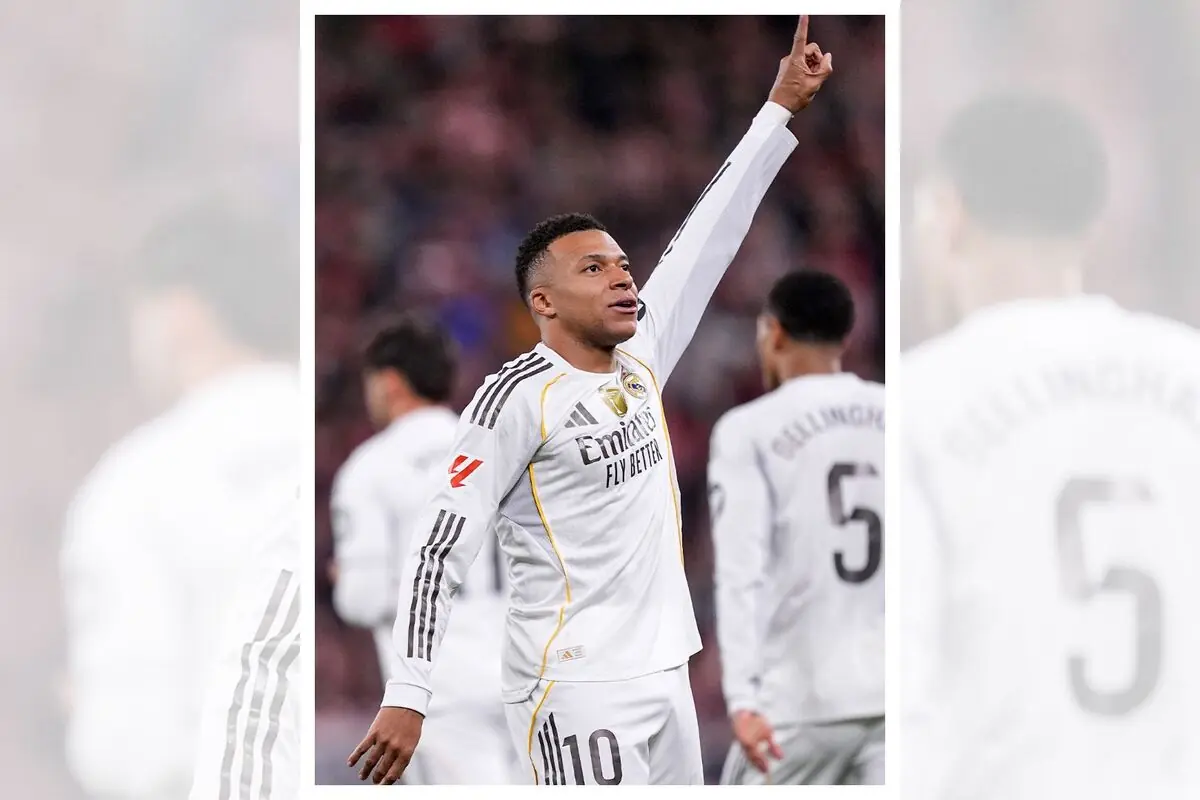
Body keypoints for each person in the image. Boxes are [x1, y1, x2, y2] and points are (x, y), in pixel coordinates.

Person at [347, 14, 834, 786]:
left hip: (667, 668)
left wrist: (777, 109)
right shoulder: (510, 400)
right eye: (594, 270)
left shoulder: (640, 358)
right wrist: (409, 691)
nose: (622, 278)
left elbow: (711, 234)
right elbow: (439, 549)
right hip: (573, 686)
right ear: (542, 302)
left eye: (622, 264)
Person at [903, 92, 1200, 799]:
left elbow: (903, 703)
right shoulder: (1189, 369)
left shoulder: (920, 406)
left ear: (947, 214)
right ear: (1093, 226)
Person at [60, 202, 299, 799]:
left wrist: (94, 714)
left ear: (180, 310)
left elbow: (133, 745)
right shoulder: (332, 436)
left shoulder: (138, 485)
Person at [709, 270, 884, 785]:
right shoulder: (897, 412)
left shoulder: (748, 429)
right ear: (845, 337)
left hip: (799, 698)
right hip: (893, 696)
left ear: (774, 333)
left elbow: (741, 573)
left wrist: (742, 698)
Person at [329, 318, 518, 783]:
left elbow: (364, 598)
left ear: (390, 382)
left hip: (438, 689)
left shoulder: (369, 469)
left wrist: (344, 579)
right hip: (522, 671)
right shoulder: (496, 448)